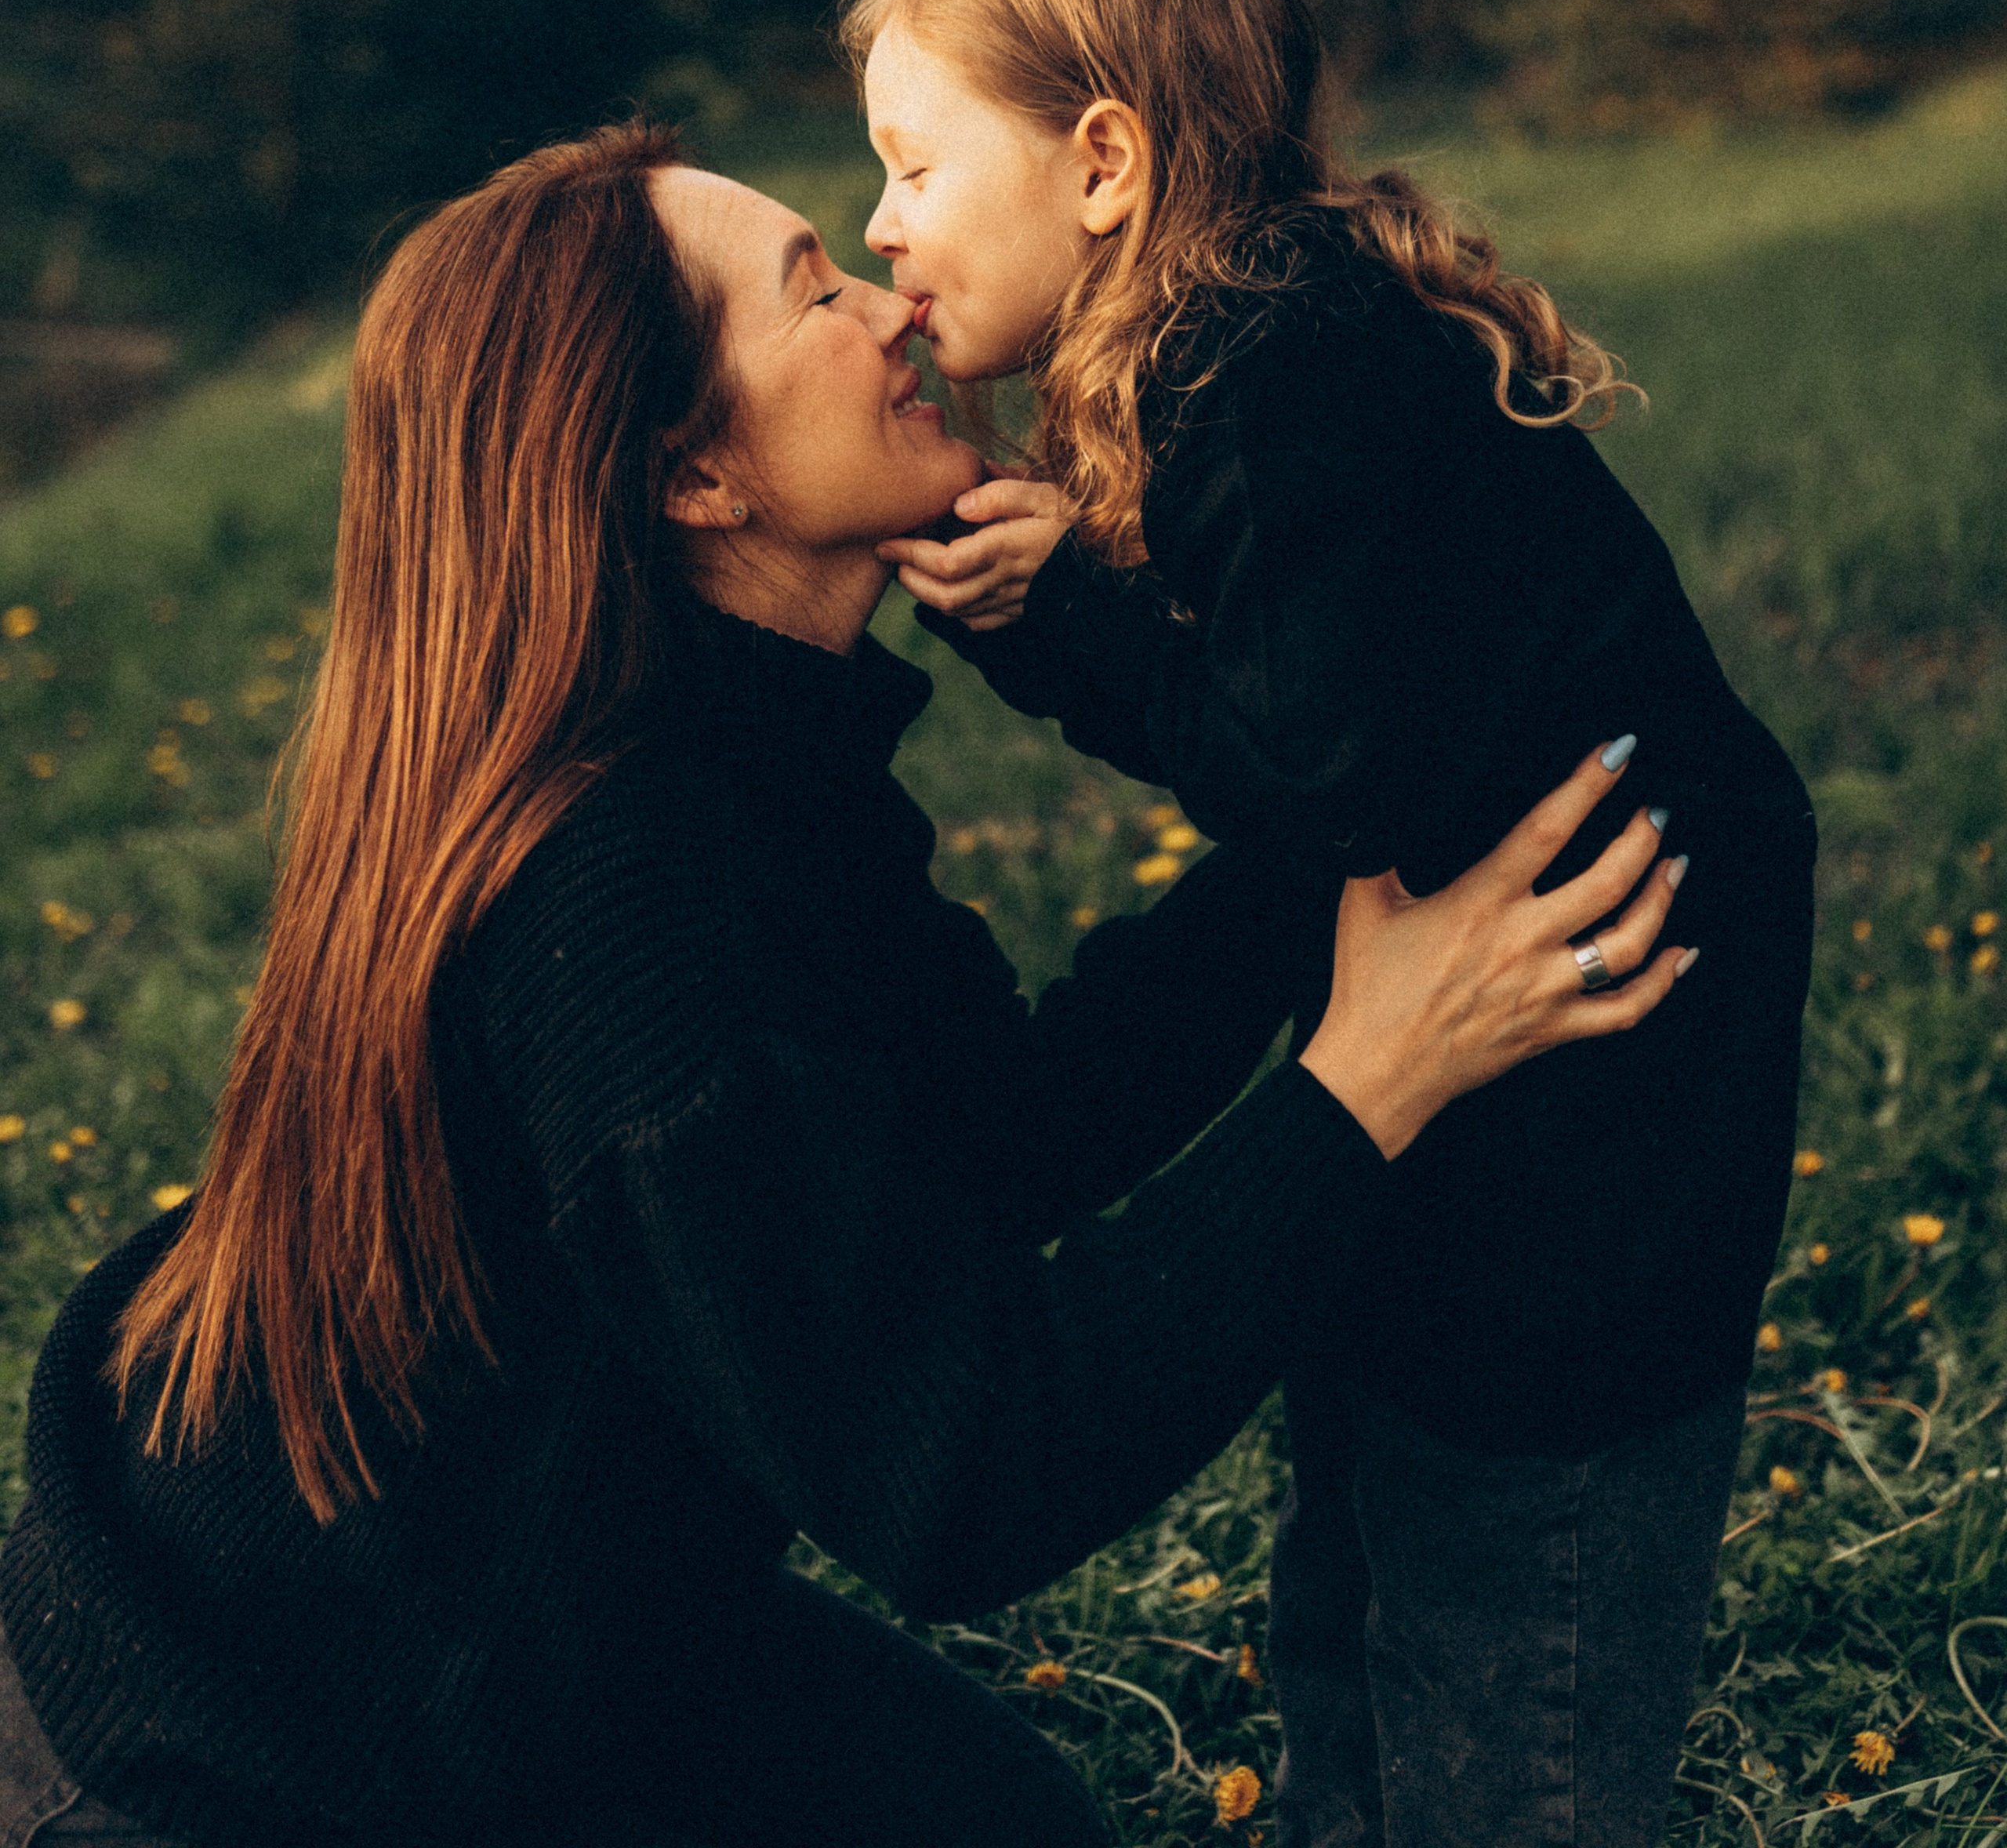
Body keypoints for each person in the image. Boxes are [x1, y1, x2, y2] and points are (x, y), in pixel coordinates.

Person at [0, 123, 1689, 1848]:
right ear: (693, 479)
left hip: (572, 1625)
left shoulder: (744, 756)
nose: (890, 306)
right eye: (810, 289)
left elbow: (995, 1135)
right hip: (245, 1759)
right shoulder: (632, 899)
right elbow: (957, 1475)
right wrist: (1368, 1080)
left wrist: (1334, 821)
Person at [845, 0, 1818, 1848]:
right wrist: (1085, 618)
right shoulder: (1246, 347)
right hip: (1489, 1112)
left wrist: (1073, 635)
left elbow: (1325, 774)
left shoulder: (1277, 371)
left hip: (1593, 1130)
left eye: (912, 167)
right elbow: (1307, 742)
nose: (879, 224)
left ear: (1101, 159)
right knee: (1356, 1589)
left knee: (1502, 1619)